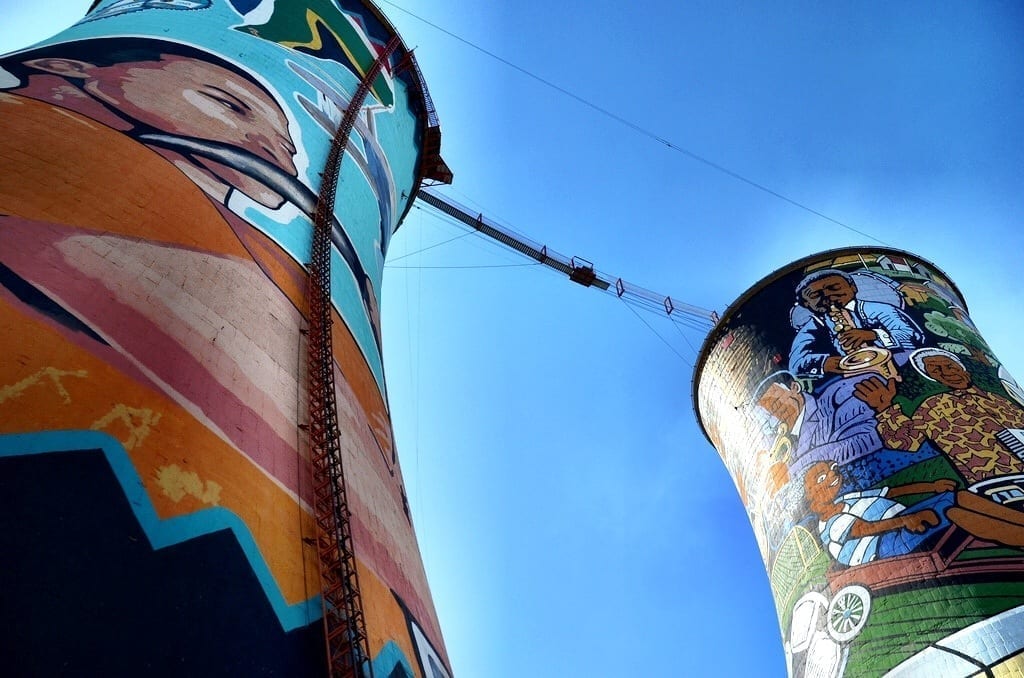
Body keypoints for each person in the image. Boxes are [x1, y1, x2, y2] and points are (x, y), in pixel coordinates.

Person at [853, 348, 1024, 484]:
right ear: (932, 377)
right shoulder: (934, 406)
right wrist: (885, 409)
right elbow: (906, 442)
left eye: (949, 366)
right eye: (935, 370)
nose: (945, 373)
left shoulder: (1000, 399)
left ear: (963, 369)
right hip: (999, 484)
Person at [803, 461, 956, 566]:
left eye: (833, 468)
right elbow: (866, 528)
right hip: (882, 543)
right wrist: (908, 520)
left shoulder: (846, 498)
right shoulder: (830, 524)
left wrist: (933, 486)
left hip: (903, 519)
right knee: (952, 512)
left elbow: (889, 493)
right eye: (821, 477)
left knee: (957, 498)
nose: (833, 473)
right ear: (809, 497)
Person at [789, 269, 924, 381]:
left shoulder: (880, 309)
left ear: (853, 287)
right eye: (815, 295)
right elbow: (795, 363)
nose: (827, 296)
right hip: (850, 378)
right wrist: (827, 363)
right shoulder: (811, 328)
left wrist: (872, 335)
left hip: (899, 362)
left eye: (834, 287)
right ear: (806, 304)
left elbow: (911, 334)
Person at [757, 372, 883, 476]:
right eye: (769, 413)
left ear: (794, 388)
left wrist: (792, 472)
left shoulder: (834, 398)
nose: (775, 413)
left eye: (776, 404)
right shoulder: (790, 449)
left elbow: (872, 435)